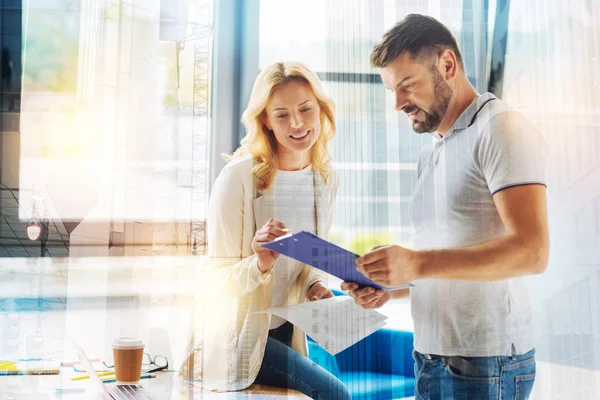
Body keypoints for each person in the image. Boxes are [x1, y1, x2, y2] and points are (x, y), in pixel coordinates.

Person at [342, 14, 548, 399]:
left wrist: (417, 264)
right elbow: (448, 255)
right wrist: (394, 285)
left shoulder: (501, 128)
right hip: (429, 357)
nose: (398, 104)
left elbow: (532, 252)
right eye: (392, 91)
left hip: (485, 363)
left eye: (407, 86)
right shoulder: (435, 146)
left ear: (447, 65)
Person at [193, 61, 351, 399]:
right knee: (337, 395)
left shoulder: (325, 179)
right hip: (241, 338)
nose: (297, 123)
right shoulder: (238, 178)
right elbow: (212, 281)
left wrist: (317, 286)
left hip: (288, 332)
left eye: (305, 109)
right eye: (281, 115)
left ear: (321, 109)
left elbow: (305, 264)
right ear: (264, 119)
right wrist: (260, 263)